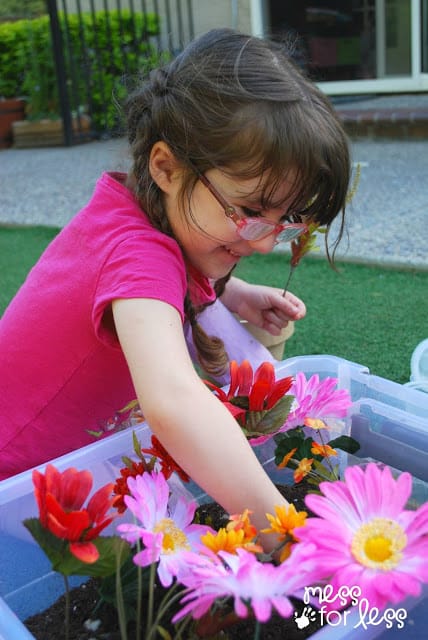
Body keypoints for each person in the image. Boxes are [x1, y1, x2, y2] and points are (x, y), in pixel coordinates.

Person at [0, 28, 350, 548]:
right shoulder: (137, 252)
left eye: (290, 219)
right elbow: (173, 401)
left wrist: (233, 292)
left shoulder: (143, 214)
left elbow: (164, 279)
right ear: (166, 167)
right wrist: (284, 534)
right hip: (23, 483)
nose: (265, 242)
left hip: (67, 466)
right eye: (251, 211)